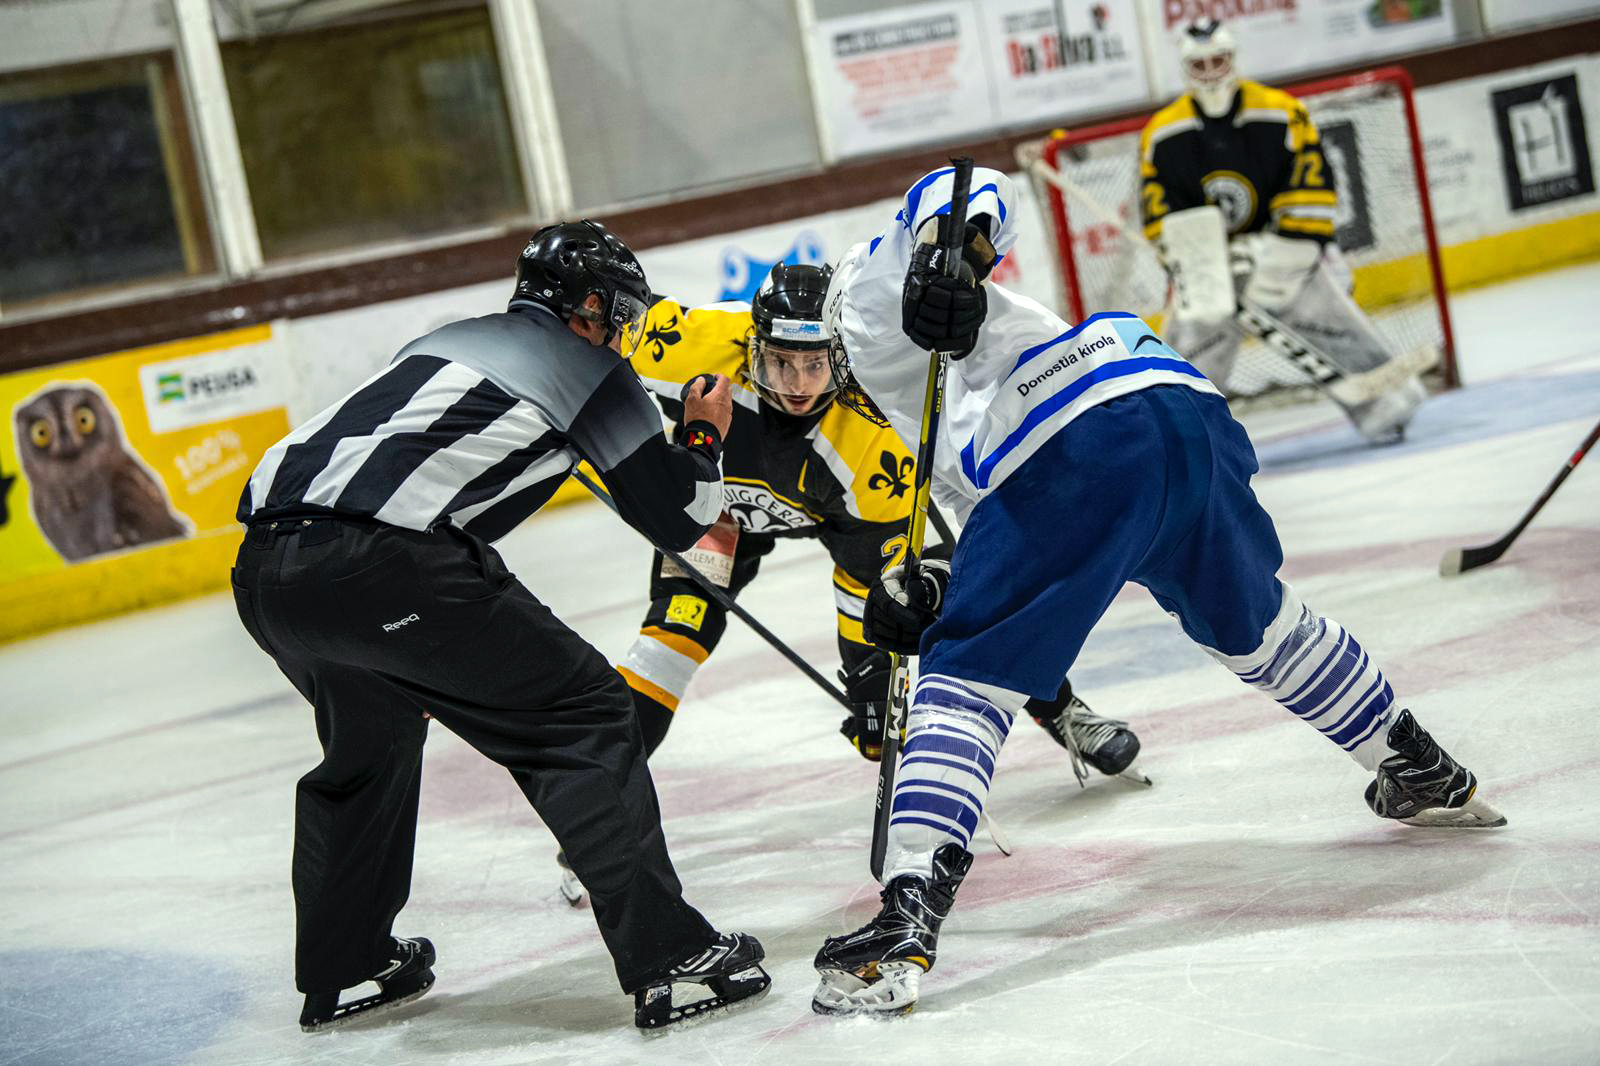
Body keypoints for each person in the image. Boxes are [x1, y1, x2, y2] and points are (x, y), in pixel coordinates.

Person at [809, 164, 1505, 1017]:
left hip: (1079, 442)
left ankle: (905, 918)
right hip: (1171, 403)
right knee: (1263, 631)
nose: (809, 377)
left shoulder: (863, 300)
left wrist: (945, 252)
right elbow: (991, 506)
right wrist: (942, 585)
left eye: (811, 358)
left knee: (965, 679)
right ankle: (1418, 766)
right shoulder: (913, 400)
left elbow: (964, 186)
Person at [230, 220, 770, 1033]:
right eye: (621, 313)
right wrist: (701, 435)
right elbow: (680, 518)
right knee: (586, 714)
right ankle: (669, 956)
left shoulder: (444, 341)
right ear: (591, 308)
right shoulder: (593, 370)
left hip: (264, 573)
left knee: (369, 744)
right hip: (381, 564)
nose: (624, 331)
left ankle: (345, 967)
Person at [552, 263, 1145, 905]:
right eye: (781, 363)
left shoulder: (870, 437)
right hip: (713, 511)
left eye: (815, 366)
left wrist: (869, 675)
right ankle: (599, 823)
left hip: (846, 519)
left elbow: (868, 577)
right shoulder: (687, 344)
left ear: (840, 355)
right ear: (751, 346)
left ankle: (1062, 710)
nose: (798, 385)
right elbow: (584, 340)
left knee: (956, 605)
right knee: (669, 643)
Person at [1140, 18, 1429, 443]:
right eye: (1199, 65)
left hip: (1285, 245)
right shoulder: (1163, 133)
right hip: (1213, 261)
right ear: (1186, 70)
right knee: (1197, 332)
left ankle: (1387, 399)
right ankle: (1179, 435)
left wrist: (1287, 253)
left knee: (1314, 308)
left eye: (1218, 61)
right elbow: (1161, 212)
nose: (1211, 73)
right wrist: (1199, 262)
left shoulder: (1281, 111)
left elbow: (1311, 180)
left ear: (1233, 59)